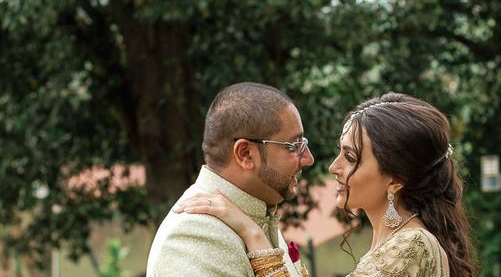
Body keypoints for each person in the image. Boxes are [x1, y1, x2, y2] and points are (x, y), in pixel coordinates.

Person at [177, 92, 477, 277]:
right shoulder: (397, 242)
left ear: (396, 181)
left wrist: (253, 235)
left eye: (350, 156)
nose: (333, 166)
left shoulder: (410, 245)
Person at [145, 82, 315, 277]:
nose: (309, 158)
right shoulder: (194, 235)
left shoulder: (256, 217)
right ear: (246, 154)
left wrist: (255, 234)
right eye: (294, 145)